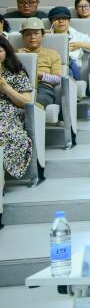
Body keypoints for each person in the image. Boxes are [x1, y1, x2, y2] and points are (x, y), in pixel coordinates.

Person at [0, 35, 34, 184]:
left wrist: (5, 87)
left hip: (9, 113)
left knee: (4, 133)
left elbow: (26, 102)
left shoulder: (17, 72)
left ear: (6, 52)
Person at [48, 6, 90, 80]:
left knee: (67, 72)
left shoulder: (78, 36)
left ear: (69, 21)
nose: (61, 21)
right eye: (57, 19)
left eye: (64, 18)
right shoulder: (45, 36)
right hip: (50, 66)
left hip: (71, 69)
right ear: (51, 22)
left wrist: (80, 44)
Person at [17, 19, 62, 108]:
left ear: (42, 35)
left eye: (36, 33)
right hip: (19, 87)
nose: (32, 37)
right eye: (28, 34)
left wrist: (38, 75)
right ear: (23, 37)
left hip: (43, 88)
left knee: (34, 104)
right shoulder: (15, 54)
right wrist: (15, 57)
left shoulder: (53, 54)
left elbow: (57, 79)